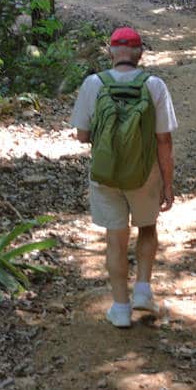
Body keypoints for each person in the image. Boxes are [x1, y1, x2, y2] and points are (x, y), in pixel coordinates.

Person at [70, 26, 177, 328]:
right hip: (145, 175)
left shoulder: (93, 84)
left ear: (111, 52)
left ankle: (120, 308)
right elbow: (164, 141)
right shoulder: (154, 85)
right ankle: (143, 289)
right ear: (140, 53)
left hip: (106, 176)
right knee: (147, 227)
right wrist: (167, 184)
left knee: (115, 240)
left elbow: (81, 135)